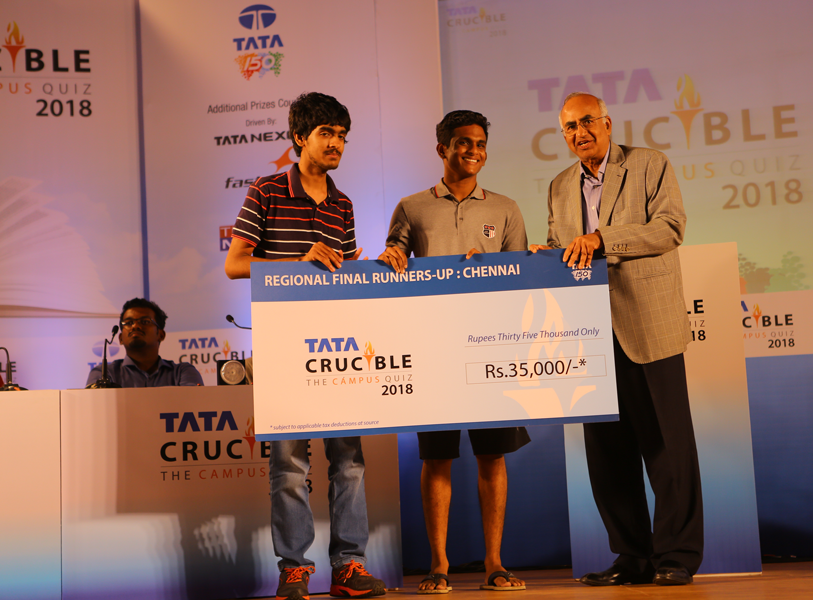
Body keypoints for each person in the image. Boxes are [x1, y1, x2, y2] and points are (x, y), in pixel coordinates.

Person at [530, 92, 703, 586]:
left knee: (667, 447)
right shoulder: (560, 185)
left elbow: (669, 228)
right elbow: (565, 246)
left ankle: (676, 556)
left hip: (648, 323)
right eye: (569, 127)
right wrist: (547, 255)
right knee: (607, 453)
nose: (579, 132)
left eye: (587, 122)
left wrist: (603, 239)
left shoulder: (649, 164)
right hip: (588, 333)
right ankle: (632, 557)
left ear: (607, 123)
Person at [225, 92, 382, 600]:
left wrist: (373, 269)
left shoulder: (343, 203)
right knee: (289, 465)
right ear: (299, 137)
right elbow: (234, 264)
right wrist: (297, 262)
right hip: (284, 343)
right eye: (326, 134)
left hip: (339, 346)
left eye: (342, 136)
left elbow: (347, 273)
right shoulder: (267, 190)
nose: (336, 143)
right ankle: (294, 569)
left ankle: (349, 567)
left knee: (349, 461)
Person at [379, 110, 530, 594]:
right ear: (442, 148)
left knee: (492, 456)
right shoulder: (411, 207)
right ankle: (438, 565)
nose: (474, 151)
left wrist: (495, 268)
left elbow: (523, 280)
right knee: (437, 458)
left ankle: (495, 563)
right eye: (463, 142)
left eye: (480, 143)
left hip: (491, 347)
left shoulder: (506, 209)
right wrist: (391, 256)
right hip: (433, 350)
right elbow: (392, 262)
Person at [85, 297, 203, 387]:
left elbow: (194, 405)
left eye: (145, 321)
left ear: (161, 335)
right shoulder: (104, 374)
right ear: (120, 338)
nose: (135, 326)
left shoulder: (182, 372)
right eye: (129, 323)